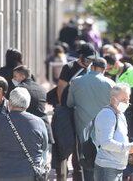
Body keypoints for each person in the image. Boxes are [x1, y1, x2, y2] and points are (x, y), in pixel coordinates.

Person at [50, 43, 96, 181]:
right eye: (87, 59)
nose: (89, 63)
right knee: (64, 144)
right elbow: (61, 88)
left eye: (91, 60)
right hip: (67, 111)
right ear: (80, 57)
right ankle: (62, 176)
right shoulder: (69, 67)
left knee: (80, 147)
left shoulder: (92, 69)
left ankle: (78, 176)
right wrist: (62, 105)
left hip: (82, 112)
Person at [66, 57, 115, 180]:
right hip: (104, 128)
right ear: (104, 70)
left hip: (82, 127)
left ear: (91, 67)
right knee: (103, 158)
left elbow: (69, 103)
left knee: (86, 159)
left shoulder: (76, 81)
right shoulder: (111, 84)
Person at [0, 87, 48, 181]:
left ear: (10, 103)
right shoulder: (38, 122)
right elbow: (44, 147)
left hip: (3, 174)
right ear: (27, 104)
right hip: (29, 174)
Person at [93, 83, 133, 181]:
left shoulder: (119, 114)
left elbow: (119, 138)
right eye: (123, 100)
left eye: (127, 99)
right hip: (108, 167)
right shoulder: (107, 114)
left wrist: (131, 147)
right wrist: (128, 147)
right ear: (113, 99)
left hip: (116, 166)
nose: (126, 102)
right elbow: (106, 142)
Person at [12, 65, 55, 160]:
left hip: (28, 132)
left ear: (22, 76)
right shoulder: (41, 88)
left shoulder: (20, 91)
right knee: (42, 165)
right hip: (44, 130)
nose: (13, 79)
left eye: (15, 76)